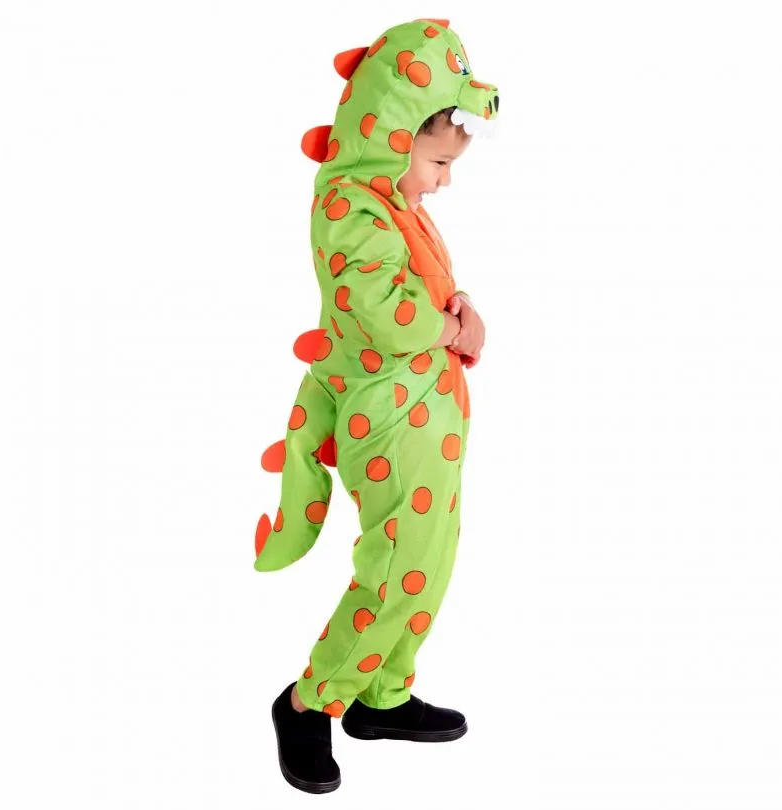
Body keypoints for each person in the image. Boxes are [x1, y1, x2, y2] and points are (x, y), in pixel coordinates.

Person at [253, 18, 500, 794]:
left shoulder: (393, 202)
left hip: (432, 420)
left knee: (429, 562)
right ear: (392, 136)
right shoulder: (348, 207)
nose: (444, 181)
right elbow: (385, 313)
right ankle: (309, 701)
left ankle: (381, 693)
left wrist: (464, 308)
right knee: (396, 569)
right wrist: (452, 328)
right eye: (438, 162)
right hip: (390, 424)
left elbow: (427, 286)